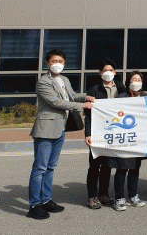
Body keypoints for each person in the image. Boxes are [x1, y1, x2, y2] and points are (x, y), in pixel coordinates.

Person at [27, 49, 94, 220]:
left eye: (61, 61)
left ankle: (46, 200)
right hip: (45, 129)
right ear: (47, 63)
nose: (58, 64)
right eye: (54, 61)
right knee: (40, 168)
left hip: (60, 129)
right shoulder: (43, 82)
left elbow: (71, 96)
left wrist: (87, 97)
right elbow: (56, 102)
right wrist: (82, 106)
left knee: (50, 167)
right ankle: (34, 205)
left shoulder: (64, 79)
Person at [85, 59, 126, 209]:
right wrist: (88, 134)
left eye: (111, 70)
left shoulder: (121, 88)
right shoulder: (94, 90)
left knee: (108, 165)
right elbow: (88, 115)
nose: (108, 73)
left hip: (114, 132)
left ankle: (103, 193)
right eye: (105, 70)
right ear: (100, 73)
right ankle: (92, 196)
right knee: (94, 166)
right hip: (98, 132)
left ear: (115, 72)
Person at [109, 71, 147, 211]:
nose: (136, 82)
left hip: (138, 140)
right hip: (125, 139)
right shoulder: (121, 97)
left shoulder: (146, 97)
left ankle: (133, 195)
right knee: (122, 168)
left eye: (139, 80)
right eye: (133, 79)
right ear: (128, 82)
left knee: (135, 168)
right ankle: (119, 198)